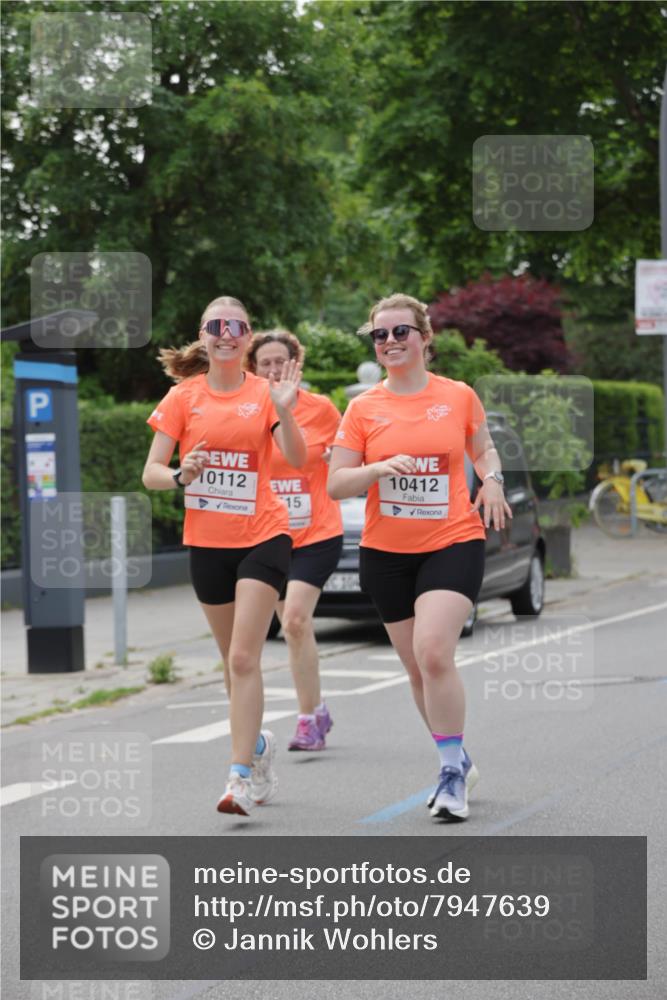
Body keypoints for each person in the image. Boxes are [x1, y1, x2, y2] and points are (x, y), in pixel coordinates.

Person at [328, 293, 511, 821]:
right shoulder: (363, 407)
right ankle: (456, 755)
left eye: (400, 332)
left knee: (434, 652)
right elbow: (338, 483)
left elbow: (484, 449)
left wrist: (492, 481)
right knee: (415, 668)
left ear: (425, 338)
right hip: (386, 552)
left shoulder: (457, 396)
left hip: (453, 540)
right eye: (379, 335)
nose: (389, 342)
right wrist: (378, 470)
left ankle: (450, 775)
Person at [142, 296, 306, 817]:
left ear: (248, 336)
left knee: (243, 657)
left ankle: (237, 779)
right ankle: (257, 748)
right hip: (208, 542)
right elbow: (151, 471)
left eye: (235, 325)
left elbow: (299, 460)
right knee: (230, 666)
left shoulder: (265, 393)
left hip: (264, 533)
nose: (225, 332)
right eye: (216, 325)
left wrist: (285, 408)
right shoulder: (183, 397)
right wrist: (179, 475)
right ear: (205, 334)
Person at [245, 330, 343, 750]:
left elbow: (348, 457)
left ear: (294, 364)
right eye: (263, 363)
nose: (272, 370)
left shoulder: (320, 409)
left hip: (317, 530)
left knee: (297, 619)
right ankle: (318, 709)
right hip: (271, 535)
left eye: (279, 362)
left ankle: (306, 719)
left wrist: (332, 458)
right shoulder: (245, 410)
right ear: (252, 368)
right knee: (293, 628)